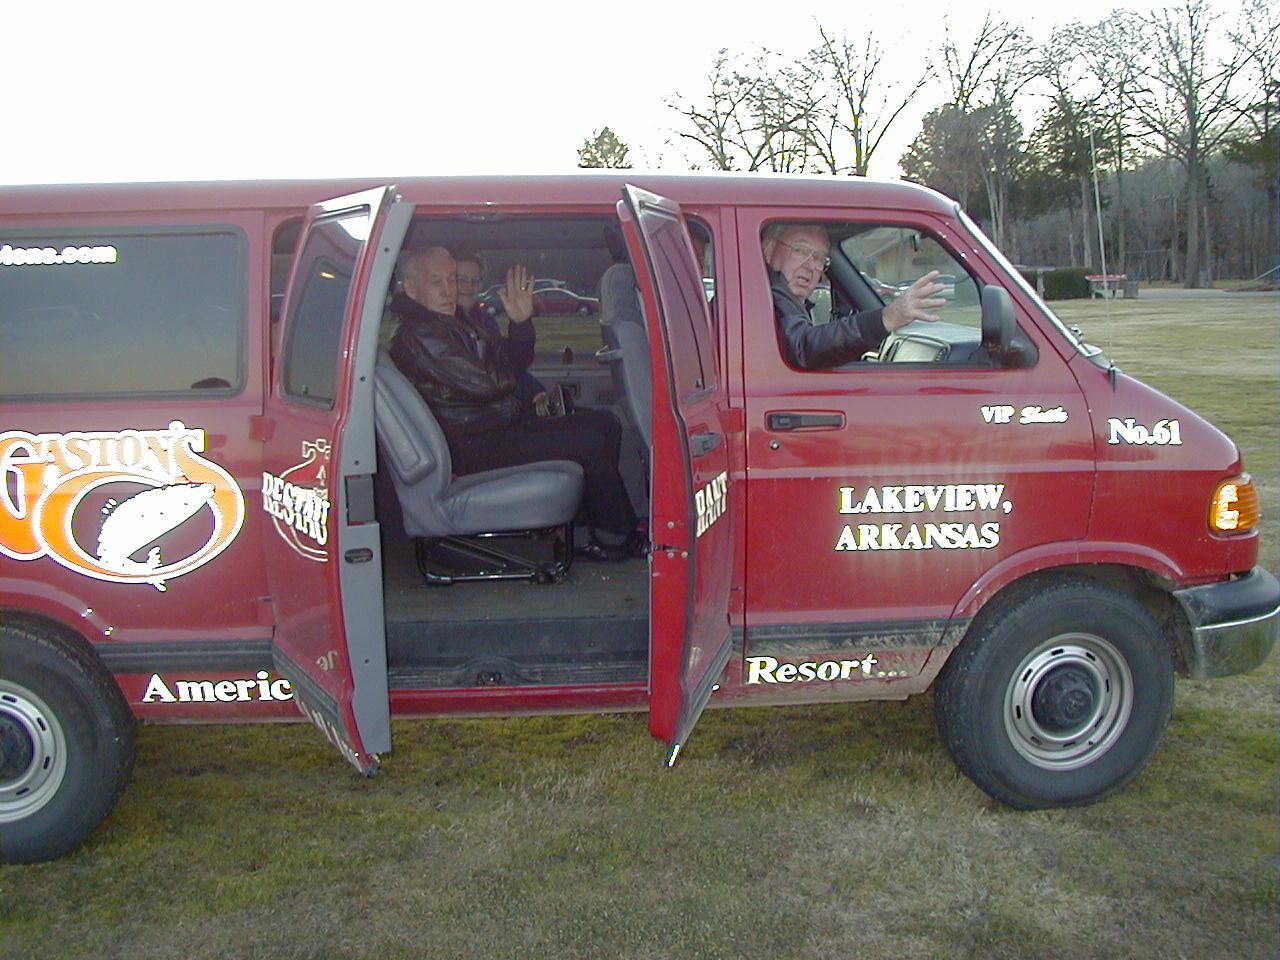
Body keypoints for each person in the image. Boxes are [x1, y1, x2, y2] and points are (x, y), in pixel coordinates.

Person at [387, 246, 640, 561]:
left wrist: (520, 323)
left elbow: (508, 363)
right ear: (411, 289)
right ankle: (617, 538)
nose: (449, 290)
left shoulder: (452, 323)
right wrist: (513, 370)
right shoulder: (422, 336)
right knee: (589, 441)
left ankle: (591, 526)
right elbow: (490, 383)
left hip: (492, 427)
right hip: (472, 444)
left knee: (605, 424)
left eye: (451, 279)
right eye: (436, 282)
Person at [762, 223, 947, 369]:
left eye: (818, 258)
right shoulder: (769, 295)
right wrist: (887, 318)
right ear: (768, 249)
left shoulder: (773, 296)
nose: (810, 266)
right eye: (800, 250)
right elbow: (801, 347)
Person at [453, 251, 548, 411]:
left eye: (475, 280)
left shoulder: (486, 321)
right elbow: (483, 380)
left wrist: (521, 324)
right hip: (486, 414)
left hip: (506, 407)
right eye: (461, 279)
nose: (469, 286)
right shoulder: (442, 328)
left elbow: (511, 364)